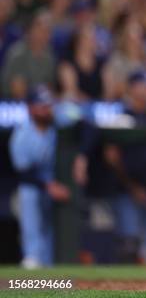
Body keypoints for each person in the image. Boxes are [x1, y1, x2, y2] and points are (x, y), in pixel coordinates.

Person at [9, 86, 87, 268]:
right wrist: (49, 186)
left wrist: (82, 156)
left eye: (48, 105)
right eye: (41, 106)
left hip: (60, 183)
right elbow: (24, 173)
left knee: (53, 223)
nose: (46, 109)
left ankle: (51, 262)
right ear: (30, 108)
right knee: (28, 196)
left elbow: (86, 123)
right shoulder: (21, 135)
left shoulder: (58, 118)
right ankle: (32, 257)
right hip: (36, 185)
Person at [104, 71, 146, 265]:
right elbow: (111, 157)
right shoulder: (122, 118)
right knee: (129, 243)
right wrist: (133, 186)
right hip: (127, 191)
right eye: (145, 86)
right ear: (132, 89)